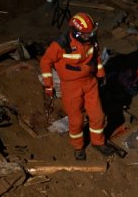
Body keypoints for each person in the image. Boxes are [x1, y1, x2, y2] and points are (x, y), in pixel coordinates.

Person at [40, 12, 107, 160]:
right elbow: (45, 62)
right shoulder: (61, 44)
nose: (90, 36)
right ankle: (78, 147)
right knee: (76, 121)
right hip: (71, 87)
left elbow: (96, 58)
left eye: (91, 33)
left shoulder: (91, 40)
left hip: (90, 83)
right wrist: (48, 86)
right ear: (76, 32)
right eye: (87, 33)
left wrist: (101, 74)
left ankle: (98, 142)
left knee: (98, 115)